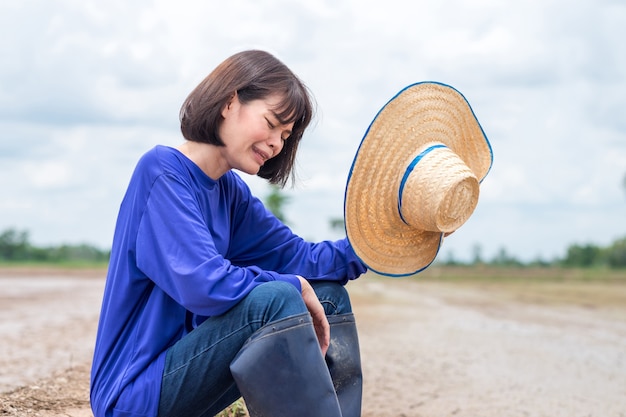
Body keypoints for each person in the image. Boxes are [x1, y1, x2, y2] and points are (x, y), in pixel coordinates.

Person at [90, 50, 367, 417]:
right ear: (230, 102)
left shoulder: (230, 192)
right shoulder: (162, 172)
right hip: (135, 393)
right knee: (278, 298)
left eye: (285, 135)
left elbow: (301, 258)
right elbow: (204, 284)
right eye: (271, 123)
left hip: (188, 374)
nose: (276, 144)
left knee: (327, 297)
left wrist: (379, 243)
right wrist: (293, 286)